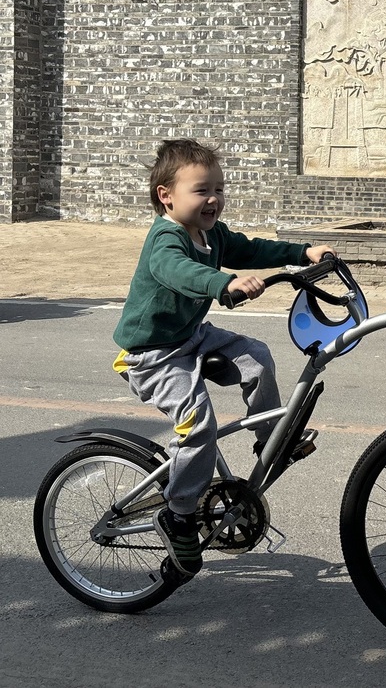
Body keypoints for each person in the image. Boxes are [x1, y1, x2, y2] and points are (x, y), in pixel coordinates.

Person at [112, 139, 335, 578]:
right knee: (198, 425)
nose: (213, 198)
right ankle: (177, 514)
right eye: (201, 190)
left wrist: (300, 253)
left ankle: (272, 441)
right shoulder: (166, 240)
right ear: (167, 195)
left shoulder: (211, 234)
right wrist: (224, 283)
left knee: (255, 355)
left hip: (192, 336)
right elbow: (183, 272)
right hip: (153, 354)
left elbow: (252, 248)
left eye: (218, 188)